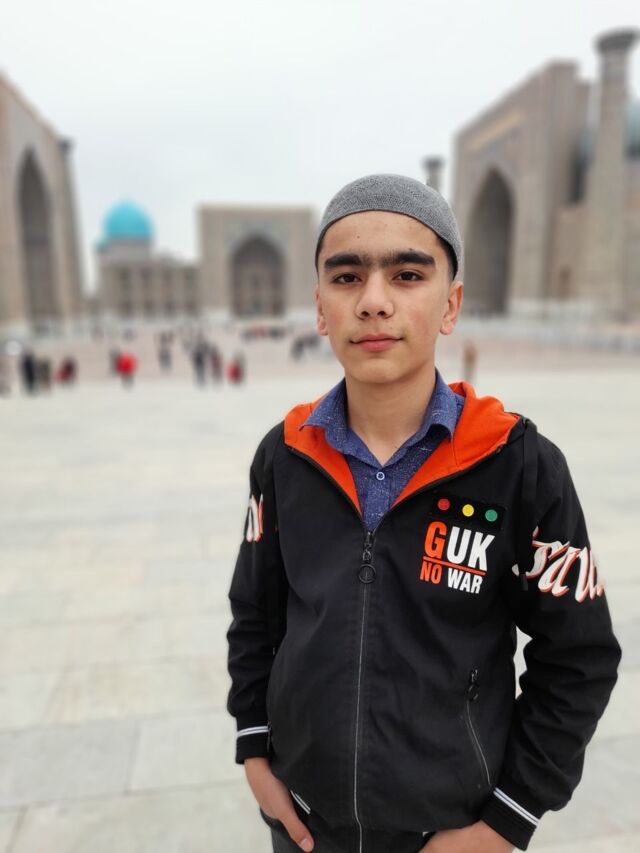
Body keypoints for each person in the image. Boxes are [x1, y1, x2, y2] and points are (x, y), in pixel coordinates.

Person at [226, 175, 621, 853]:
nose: (374, 301)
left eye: (408, 275)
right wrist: (256, 751)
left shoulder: (517, 466)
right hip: (305, 824)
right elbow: (256, 616)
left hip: (451, 831)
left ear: (450, 304)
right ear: (320, 307)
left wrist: (509, 818)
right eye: (346, 277)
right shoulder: (286, 456)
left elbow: (578, 657)